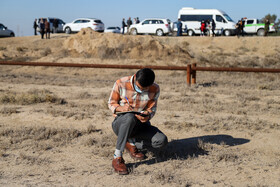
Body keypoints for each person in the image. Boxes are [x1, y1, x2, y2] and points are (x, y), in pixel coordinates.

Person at [108, 68, 168, 175]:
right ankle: (117, 157)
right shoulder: (120, 83)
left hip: (141, 125)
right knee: (130, 117)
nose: (141, 91)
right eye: (140, 88)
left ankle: (130, 142)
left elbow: (152, 109)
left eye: (145, 89)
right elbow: (111, 103)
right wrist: (122, 109)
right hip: (121, 123)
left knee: (161, 141)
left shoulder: (155, 88)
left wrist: (147, 115)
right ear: (135, 77)